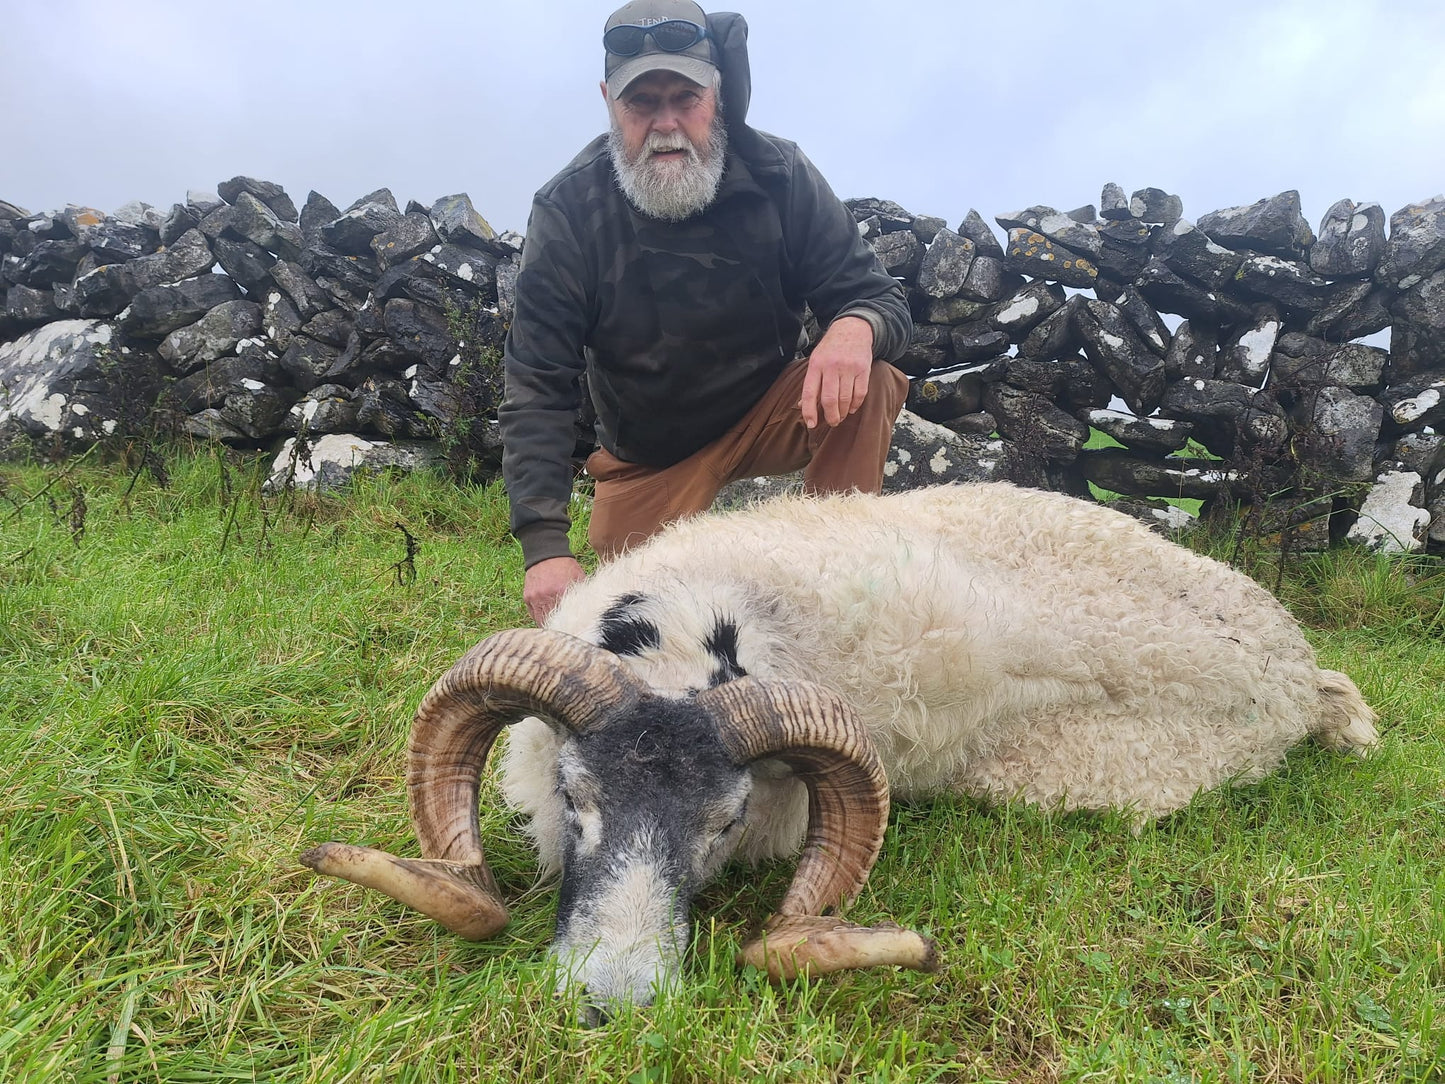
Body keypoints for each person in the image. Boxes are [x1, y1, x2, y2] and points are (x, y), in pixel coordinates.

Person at [499, 0, 913, 624]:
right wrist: (544, 550)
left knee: (871, 379)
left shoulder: (782, 174)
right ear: (608, 99)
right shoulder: (568, 210)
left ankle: (834, 579)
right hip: (649, 455)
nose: (665, 124)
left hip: (766, 410)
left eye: (685, 98)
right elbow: (537, 382)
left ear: (717, 94)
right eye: (642, 103)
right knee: (631, 617)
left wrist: (856, 325)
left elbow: (878, 296)